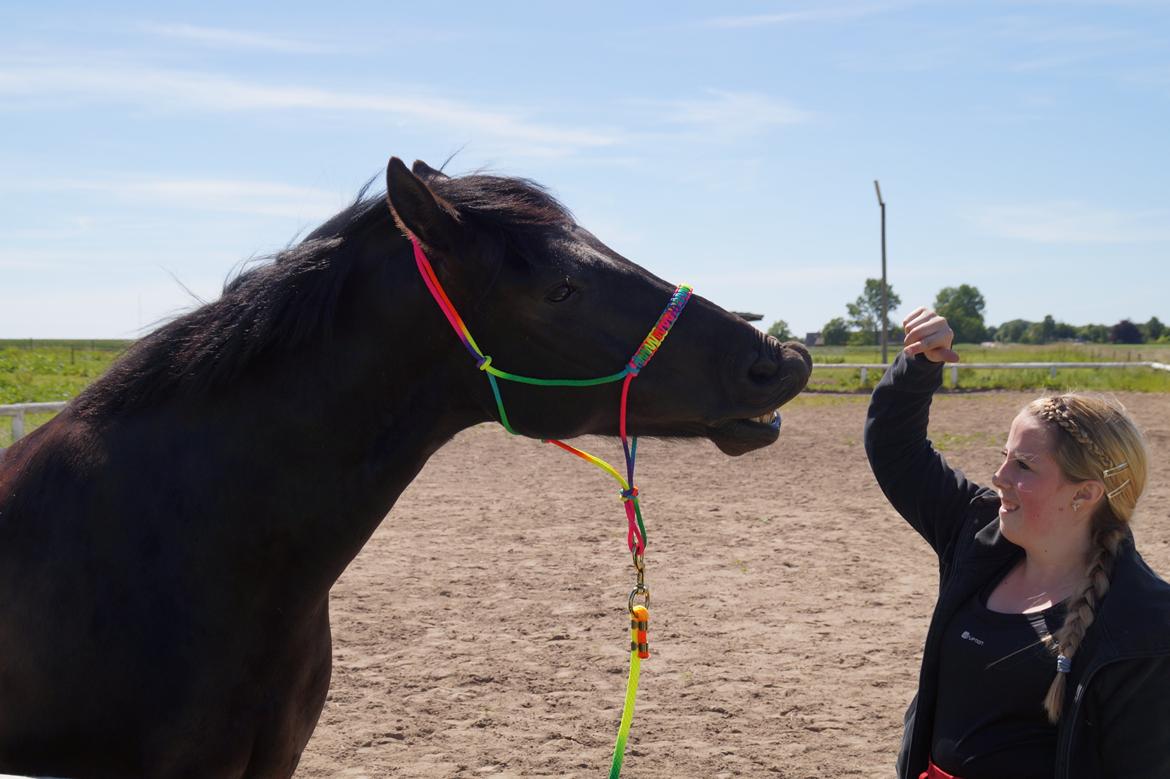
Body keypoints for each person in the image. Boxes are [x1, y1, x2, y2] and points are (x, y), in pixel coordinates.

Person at [864, 307, 1170, 779]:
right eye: (1003, 457)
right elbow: (894, 447)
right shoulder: (977, 533)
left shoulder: (1145, 623)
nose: (999, 476)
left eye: (1023, 466)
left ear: (1085, 493)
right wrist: (919, 364)